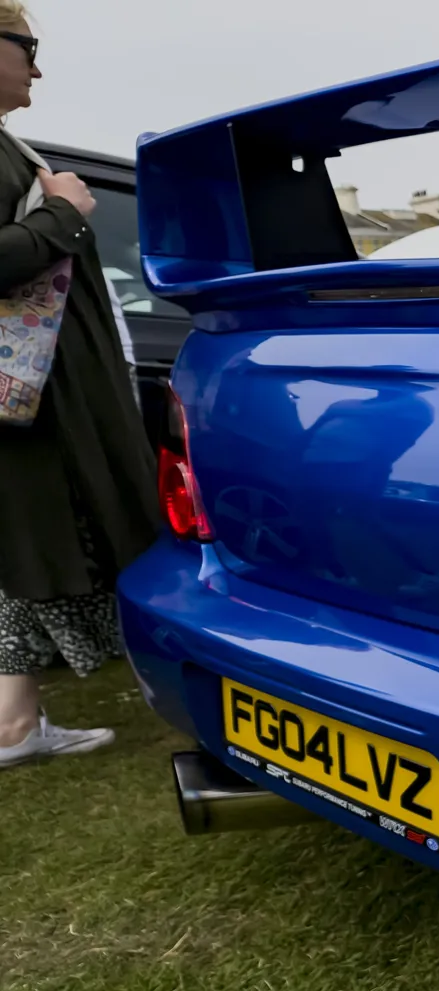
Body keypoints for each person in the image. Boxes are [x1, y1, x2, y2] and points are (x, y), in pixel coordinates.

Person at [0, 1, 161, 768]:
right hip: (27, 398)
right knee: (46, 547)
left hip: (35, 395)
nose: (37, 67)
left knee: (25, 554)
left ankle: (14, 723)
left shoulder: (10, 143)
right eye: (26, 47)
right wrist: (63, 211)